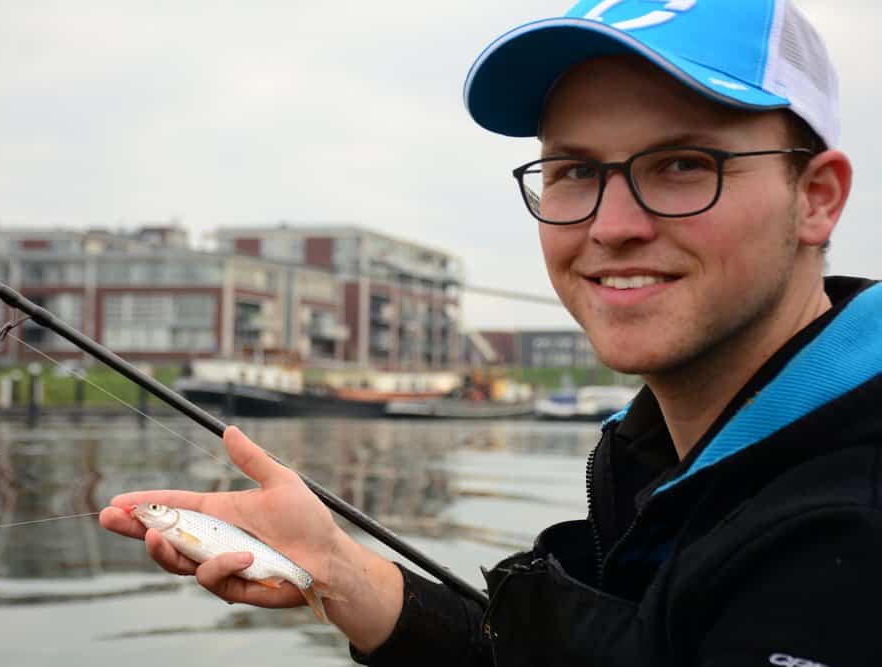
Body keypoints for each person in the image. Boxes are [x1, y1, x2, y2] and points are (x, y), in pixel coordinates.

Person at [101, 0, 882, 664]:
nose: (611, 226)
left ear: (817, 198)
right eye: (574, 170)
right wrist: (335, 568)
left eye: (681, 164)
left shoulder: (847, 539)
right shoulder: (678, 462)